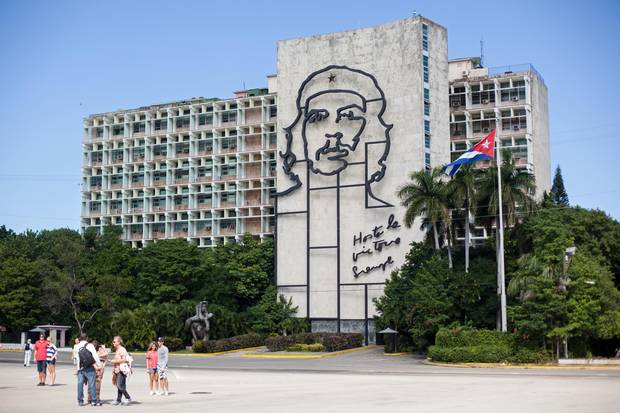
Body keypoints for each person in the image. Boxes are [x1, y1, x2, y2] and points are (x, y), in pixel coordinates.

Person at [76, 333, 101, 406]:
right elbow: (95, 356)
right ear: (87, 338)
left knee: (80, 384)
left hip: (80, 368)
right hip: (89, 367)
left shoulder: (77, 346)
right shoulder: (90, 345)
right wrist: (99, 365)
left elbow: (76, 358)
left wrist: (77, 368)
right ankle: (93, 400)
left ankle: (80, 401)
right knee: (92, 384)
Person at [111, 336, 132, 405]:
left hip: (122, 369)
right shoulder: (118, 349)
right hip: (117, 369)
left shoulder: (122, 349)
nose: (113, 343)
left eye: (114, 341)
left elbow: (125, 359)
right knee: (119, 385)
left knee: (119, 385)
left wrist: (114, 361)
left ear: (118, 342)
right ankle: (118, 400)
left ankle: (128, 397)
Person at [88, 340, 108, 404]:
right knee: (97, 383)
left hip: (92, 368)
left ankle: (90, 398)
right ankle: (97, 398)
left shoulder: (90, 351)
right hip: (99, 369)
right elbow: (106, 355)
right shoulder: (100, 351)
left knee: (91, 383)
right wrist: (104, 348)